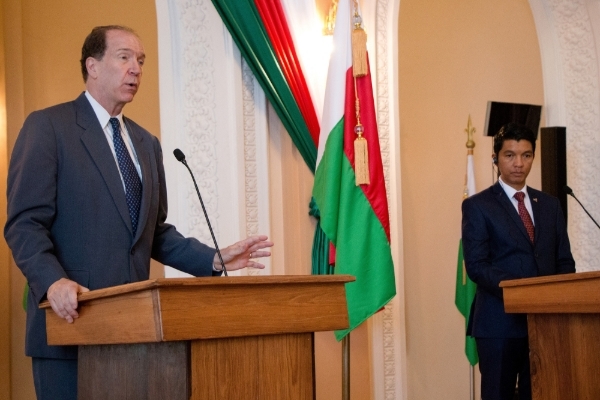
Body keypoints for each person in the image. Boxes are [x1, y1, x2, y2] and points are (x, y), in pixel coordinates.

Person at [4, 25, 273, 400]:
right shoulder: (49, 127)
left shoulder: (147, 143)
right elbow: (24, 223)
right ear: (92, 65)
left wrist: (212, 258)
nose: (136, 69)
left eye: (142, 61)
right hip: (70, 329)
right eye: (125, 57)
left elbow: (153, 232)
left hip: (135, 334)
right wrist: (52, 282)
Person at [461, 122, 575, 400]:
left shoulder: (550, 205)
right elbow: (477, 266)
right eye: (510, 155)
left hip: (545, 323)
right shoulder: (478, 206)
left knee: (540, 393)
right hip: (499, 323)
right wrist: (522, 291)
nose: (518, 163)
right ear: (496, 158)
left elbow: (564, 263)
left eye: (526, 155)